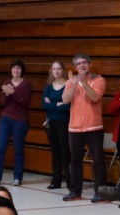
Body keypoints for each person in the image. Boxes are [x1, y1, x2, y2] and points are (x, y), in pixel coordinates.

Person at [62, 53, 107, 203]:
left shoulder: (98, 80)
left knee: (98, 160)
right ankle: (75, 191)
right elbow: (65, 99)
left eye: (84, 63)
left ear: (89, 64)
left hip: (94, 127)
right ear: (75, 67)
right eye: (79, 64)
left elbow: (95, 97)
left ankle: (101, 192)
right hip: (74, 128)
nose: (82, 65)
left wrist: (83, 83)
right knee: (75, 161)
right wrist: (75, 83)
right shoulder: (71, 81)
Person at [0, 59, 31, 187]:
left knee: (18, 149)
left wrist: (13, 93)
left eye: (18, 68)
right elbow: (4, 103)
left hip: (20, 120)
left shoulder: (26, 84)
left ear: (21, 70)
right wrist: (7, 94)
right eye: (14, 68)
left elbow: (25, 103)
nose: (16, 70)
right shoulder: (7, 82)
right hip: (5, 118)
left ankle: (17, 177)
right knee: (0, 148)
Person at [42, 61, 71, 190]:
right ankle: (56, 180)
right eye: (54, 69)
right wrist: (58, 104)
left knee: (65, 152)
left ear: (63, 70)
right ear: (51, 71)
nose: (57, 71)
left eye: (59, 68)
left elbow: (69, 105)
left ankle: (70, 181)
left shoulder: (68, 85)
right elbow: (44, 104)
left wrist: (53, 104)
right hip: (51, 122)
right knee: (55, 152)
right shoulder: (48, 87)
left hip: (64, 122)